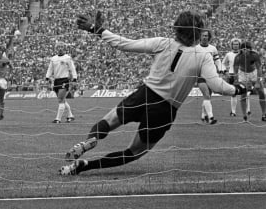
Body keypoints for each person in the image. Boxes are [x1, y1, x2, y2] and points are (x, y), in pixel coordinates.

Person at [59, 10, 246, 176]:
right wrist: (238, 89)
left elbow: (124, 44)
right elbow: (216, 86)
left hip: (144, 95)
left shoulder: (162, 43)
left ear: (176, 28)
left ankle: (90, 141)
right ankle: (85, 165)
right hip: (165, 109)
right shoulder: (202, 55)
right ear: (198, 32)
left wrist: (97, 29)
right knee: (134, 152)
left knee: (108, 122)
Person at [45, 41, 77, 123]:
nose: (60, 49)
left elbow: (72, 69)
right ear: (56, 48)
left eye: (61, 47)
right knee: (62, 100)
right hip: (56, 81)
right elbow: (50, 69)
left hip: (64, 80)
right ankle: (70, 115)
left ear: (64, 48)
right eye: (58, 47)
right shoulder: (53, 59)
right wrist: (47, 77)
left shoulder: (67, 58)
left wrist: (74, 79)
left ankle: (58, 119)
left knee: (60, 99)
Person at [234, 41, 266, 122]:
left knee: (262, 92)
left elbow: (259, 68)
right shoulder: (238, 57)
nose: (245, 51)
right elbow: (235, 70)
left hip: (253, 72)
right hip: (242, 73)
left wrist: (258, 81)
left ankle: (264, 114)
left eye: (247, 49)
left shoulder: (255, 55)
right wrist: (236, 81)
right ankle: (244, 116)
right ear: (241, 50)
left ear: (250, 49)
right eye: (243, 49)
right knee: (243, 94)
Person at [197, 30, 223, 124]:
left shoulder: (213, 48)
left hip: (211, 75)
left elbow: (217, 60)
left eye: (206, 36)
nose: (204, 37)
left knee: (207, 97)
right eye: (203, 35)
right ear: (200, 37)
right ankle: (211, 117)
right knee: (207, 95)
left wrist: (220, 68)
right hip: (200, 75)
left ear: (209, 37)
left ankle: (203, 115)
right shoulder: (196, 48)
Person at [222, 38, 249, 117]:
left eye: (237, 44)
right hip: (232, 75)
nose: (236, 46)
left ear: (239, 45)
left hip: (242, 75)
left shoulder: (243, 54)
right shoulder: (228, 54)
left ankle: (246, 111)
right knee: (233, 93)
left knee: (244, 93)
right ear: (232, 45)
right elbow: (223, 63)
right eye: (234, 44)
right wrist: (225, 71)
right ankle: (233, 112)